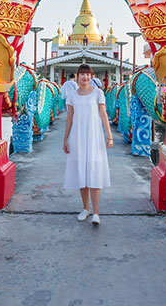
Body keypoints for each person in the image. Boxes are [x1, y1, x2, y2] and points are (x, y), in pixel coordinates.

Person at [62, 64, 112, 224]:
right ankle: (86, 208)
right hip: (77, 137)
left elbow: (103, 114)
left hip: (94, 137)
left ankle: (96, 213)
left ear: (91, 76)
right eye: (82, 74)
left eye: (88, 74)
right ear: (77, 76)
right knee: (81, 172)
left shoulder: (98, 93)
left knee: (94, 171)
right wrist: (65, 139)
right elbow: (69, 118)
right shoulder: (72, 95)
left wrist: (110, 136)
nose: (85, 77)